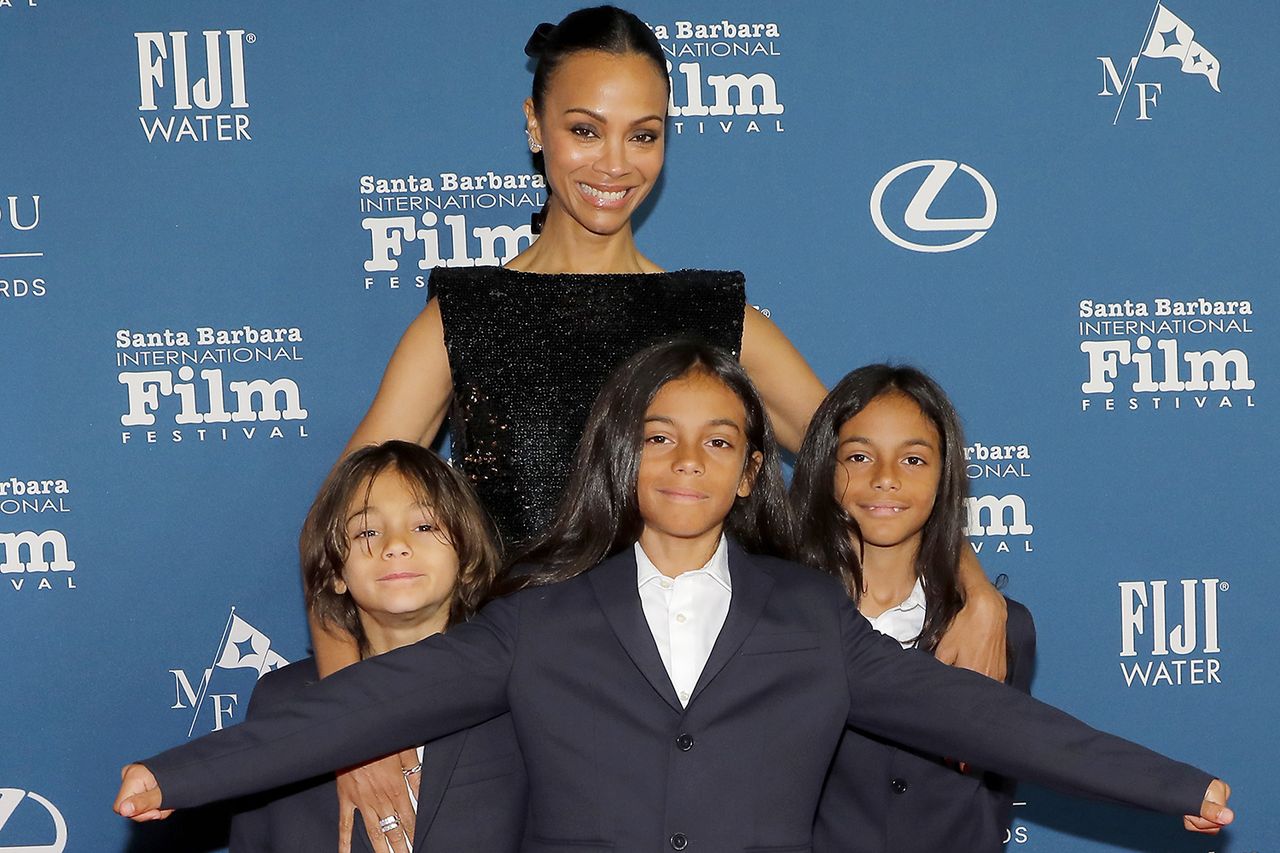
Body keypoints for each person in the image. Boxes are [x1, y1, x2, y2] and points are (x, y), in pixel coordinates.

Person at [319, 7, 1008, 846]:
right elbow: (336, 528)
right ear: (533, 126)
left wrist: (976, 588)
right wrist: (347, 726)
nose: (615, 164)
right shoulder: (463, 316)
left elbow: (869, 457)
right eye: (585, 130)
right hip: (525, 726)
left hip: (704, 730)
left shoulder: (715, 317)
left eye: (643, 135)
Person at [117, 342, 1233, 852]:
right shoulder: (540, 620)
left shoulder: (808, 620)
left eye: (718, 442)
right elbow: (363, 704)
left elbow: (986, 718)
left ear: (754, 469)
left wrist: (1166, 783)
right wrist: (181, 772)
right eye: (660, 439)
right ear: (626, 460)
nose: (687, 463)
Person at [229, 441, 526, 853]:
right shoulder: (281, 700)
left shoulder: (521, 690)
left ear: (467, 557)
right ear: (335, 572)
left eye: (424, 526)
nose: (395, 545)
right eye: (367, 531)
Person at [791, 366, 1034, 853]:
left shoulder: (1002, 628)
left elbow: (993, 792)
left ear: (946, 477)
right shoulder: (777, 617)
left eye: (914, 460)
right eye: (859, 456)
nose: (885, 479)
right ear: (824, 466)